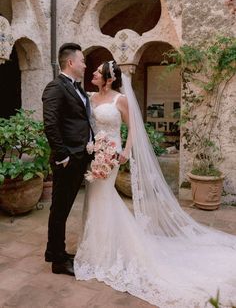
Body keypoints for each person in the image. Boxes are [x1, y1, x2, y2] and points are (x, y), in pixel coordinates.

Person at [74, 60, 236, 307]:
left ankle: (106, 250)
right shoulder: (90, 96)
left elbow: (134, 129)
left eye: (97, 72)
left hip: (113, 155)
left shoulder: (120, 100)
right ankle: (98, 246)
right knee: (94, 197)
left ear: (108, 78)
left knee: (103, 196)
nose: (93, 73)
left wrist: (125, 153)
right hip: (95, 152)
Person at [42, 43, 93, 276]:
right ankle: (59, 261)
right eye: (82, 61)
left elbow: (80, 121)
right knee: (60, 209)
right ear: (70, 62)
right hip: (68, 159)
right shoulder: (55, 87)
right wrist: (63, 156)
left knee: (61, 208)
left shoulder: (79, 89)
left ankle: (52, 251)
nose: (85, 65)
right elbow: (50, 124)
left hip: (80, 156)